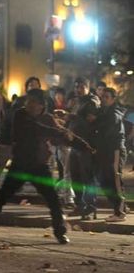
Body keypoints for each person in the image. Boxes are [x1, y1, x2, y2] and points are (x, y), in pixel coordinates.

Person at [0, 89, 95, 245]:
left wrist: (86, 147)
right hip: (20, 164)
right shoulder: (20, 115)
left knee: (53, 200)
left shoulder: (47, 118)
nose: (28, 104)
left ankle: (60, 233)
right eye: (28, 101)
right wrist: (60, 133)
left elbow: (64, 135)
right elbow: (37, 129)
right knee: (1, 197)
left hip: (39, 166)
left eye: (32, 102)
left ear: (41, 105)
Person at [66, 77, 100, 218]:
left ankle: (90, 205)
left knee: (87, 177)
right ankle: (80, 205)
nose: (78, 90)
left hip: (86, 145)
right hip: (75, 145)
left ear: (87, 87)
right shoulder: (78, 102)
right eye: (76, 87)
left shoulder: (92, 101)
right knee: (76, 177)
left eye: (81, 87)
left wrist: (73, 117)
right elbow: (74, 119)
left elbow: (90, 122)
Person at [92, 87, 128, 222]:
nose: (104, 99)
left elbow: (106, 131)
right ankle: (120, 207)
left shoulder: (114, 113)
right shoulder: (104, 112)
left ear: (113, 99)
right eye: (103, 96)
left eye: (107, 97)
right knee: (104, 180)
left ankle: (120, 212)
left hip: (115, 150)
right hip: (105, 151)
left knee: (114, 180)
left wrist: (95, 125)